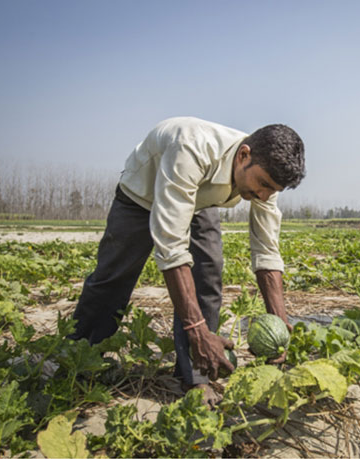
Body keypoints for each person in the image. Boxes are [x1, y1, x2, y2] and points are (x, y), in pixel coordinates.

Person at [68, 116, 305, 404]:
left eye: (273, 190)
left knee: (208, 272)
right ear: (243, 156)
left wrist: (279, 320)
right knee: (112, 278)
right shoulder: (191, 148)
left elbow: (266, 249)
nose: (264, 195)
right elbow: (171, 248)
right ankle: (79, 360)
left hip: (199, 200)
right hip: (142, 195)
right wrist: (197, 330)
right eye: (263, 184)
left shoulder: (264, 174)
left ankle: (196, 375)